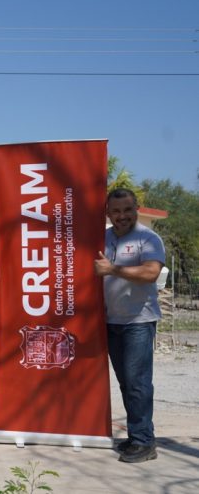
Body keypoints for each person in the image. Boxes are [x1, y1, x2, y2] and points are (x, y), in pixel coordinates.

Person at [95, 188, 165, 463]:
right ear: (108, 213)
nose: (122, 216)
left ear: (136, 208)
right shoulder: (104, 237)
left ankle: (144, 442)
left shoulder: (148, 237)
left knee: (138, 383)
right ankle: (137, 435)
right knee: (126, 383)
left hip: (139, 320)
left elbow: (150, 273)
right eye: (116, 211)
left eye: (127, 210)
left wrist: (113, 269)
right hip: (112, 321)